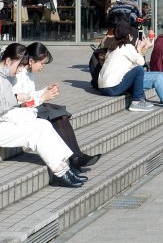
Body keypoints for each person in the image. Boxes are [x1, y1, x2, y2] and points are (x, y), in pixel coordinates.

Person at [0, 43, 85, 188]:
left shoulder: (1, 75)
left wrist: (21, 99)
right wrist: (16, 98)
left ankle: (64, 169)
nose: (19, 71)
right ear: (9, 61)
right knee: (37, 131)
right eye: (18, 66)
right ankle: (60, 172)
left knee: (44, 124)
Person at [12, 42, 100, 171]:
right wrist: (43, 97)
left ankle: (77, 156)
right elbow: (21, 104)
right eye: (41, 63)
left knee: (60, 113)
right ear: (31, 60)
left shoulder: (29, 72)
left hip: (31, 107)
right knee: (57, 115)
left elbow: (30, 95)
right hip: (22, 113)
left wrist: (45, 90)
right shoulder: (19, 75)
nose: (42, 67)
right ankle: (76, 157)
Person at [98, 17, 163, 122]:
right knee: (142, 71)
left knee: (162, 75)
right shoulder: (127, 47)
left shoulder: (113, 47)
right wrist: (141, 48)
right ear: (129, 36)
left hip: (108, 84)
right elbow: (141, 63)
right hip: (113, 87)